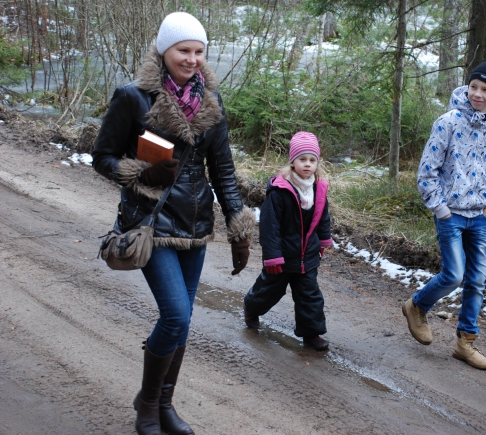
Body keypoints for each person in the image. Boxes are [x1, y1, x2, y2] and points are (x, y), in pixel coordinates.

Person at [92, 12, 255, 435]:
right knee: (176, 315)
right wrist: (140, 172)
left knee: (182, 319)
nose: (192, 59)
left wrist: (238, 229)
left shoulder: (212, 102)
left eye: (199, 51)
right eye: (184, 50)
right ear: (165, 50)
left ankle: (164, 403)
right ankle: (148, 404)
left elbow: (223, 170)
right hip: (150, 223)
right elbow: (102, 157)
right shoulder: (133, 98)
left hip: (195, 226)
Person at [402, 60, 486, 370]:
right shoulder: (447, 122)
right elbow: (427, 170)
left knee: (477, 280)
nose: (477, 94)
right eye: (474, 86)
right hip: (450, 213)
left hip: (481, 216)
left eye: (485, 89)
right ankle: (417, 305)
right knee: (454, 275)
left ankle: (466, 343)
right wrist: (441, 209)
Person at [243, 132, 333, 351]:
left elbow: (322, 217)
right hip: (282, 255)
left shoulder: (318, 189)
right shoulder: (280, 191)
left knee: (309, 295)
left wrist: (323, 241)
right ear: (293, 161)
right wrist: (273, 256)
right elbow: (270, 226)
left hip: (307, 255)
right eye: (302, 159)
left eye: (312, 160)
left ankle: (311, 333)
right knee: (269, 290)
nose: (307, 164)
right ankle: (252, 308)